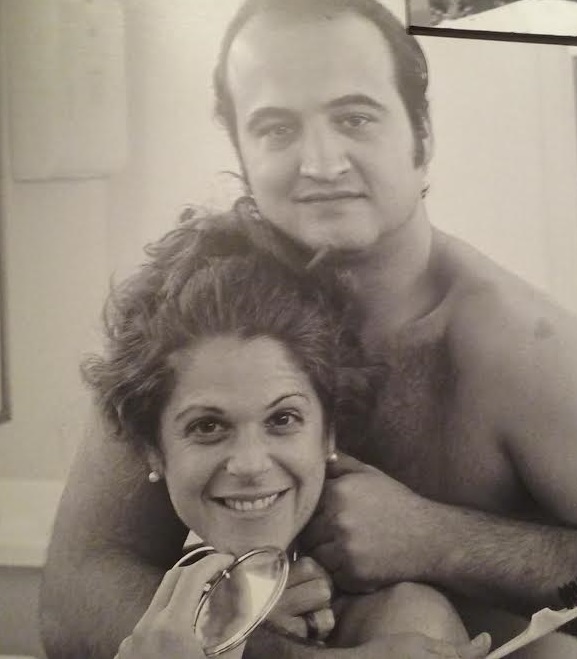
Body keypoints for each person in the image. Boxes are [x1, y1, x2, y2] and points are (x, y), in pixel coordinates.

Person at [41, 0, 577, 657]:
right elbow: (76, 593)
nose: (320, 163)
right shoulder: (202, 312)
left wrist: (436, 539)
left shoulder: (517, 343)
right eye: (276, 128)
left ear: (421, 138)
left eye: (355, 118)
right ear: (241, 150)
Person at [83, 211, 491, 659]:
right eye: (208, 426)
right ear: (154, 452)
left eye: (282, 419)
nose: (250, 464)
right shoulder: (177, 623)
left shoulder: (405, 625)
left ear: (328, 433)